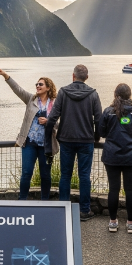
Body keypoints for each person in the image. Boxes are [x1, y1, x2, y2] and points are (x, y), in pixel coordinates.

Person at [44, 64, 102, 221]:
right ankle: (85, 211)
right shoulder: (93, 94)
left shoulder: (63, 92)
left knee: (65, 175)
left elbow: (53, 117)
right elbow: (99, 121)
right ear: (87, 78)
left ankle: (63, 209)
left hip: (67, 140)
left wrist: (48, 140)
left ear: (73, 76)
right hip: (86, 141)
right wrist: (96, 137)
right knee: (84, 176)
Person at [0, 66, 59, 200]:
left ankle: (45, 201)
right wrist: (6, 76)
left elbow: (61, 124)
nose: (37, 86)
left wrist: (48, 121)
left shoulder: (55, 104)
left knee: (45, 175)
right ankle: (22, 200)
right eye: (37, 84)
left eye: (40, 84)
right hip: (29, 142)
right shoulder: (31, 99)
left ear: (48, 87)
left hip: (46, 145)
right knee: (26, 173)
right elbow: (18, 89)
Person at [97, 83, 132, 234]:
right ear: (130, 95)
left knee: (113, 189)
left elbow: (102, 132)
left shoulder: (108, 112)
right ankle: (130, 223)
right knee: (130, 189)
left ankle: (113, 221)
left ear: (115, 94)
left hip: (112, 155)